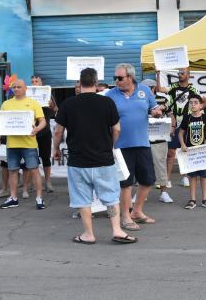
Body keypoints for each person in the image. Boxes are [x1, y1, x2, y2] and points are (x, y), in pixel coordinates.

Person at [53, 67, 137, 244]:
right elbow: (117, 129)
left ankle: (88, 234)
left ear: (79, 82)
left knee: (82, 199)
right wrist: (110, 146)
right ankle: (117, 230)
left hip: (78, 161)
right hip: (103, 159)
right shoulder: (107, 103)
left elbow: (58, 131)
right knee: (111, 196)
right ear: (96, 83)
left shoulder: (68, 104)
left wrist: (56, 149)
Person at [105, 63, 163, 229]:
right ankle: (125, 217)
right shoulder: (110, 95)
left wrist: (157, 112)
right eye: (115, 78)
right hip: (120, 146)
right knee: (125, 183)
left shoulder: (144, 91)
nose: (116, 81)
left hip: (142, 143)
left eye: (120, 78)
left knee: (148, 180)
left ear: (130, 77)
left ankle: (137, 211)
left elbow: (154, 108)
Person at [0, 79, 47, 210]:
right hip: (12, 143)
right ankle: (13, 198)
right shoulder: (6, 104)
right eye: (14, 87)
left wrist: (37, 129)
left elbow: (43, 121)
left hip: (29, 143)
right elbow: (1, 122)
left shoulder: (33, 103)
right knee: (12, 171)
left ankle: (39, 198)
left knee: (34, 170)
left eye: (19, 87)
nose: (16, 89)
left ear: (25, 88)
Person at [159, 68, 206, 189]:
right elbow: (160, 89)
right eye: (179, 73)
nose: (179, 74)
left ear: (188, 75)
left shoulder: (193, 89)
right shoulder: (173, 86)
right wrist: (157, 74)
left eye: (182, 73)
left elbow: (205, 102)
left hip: (187, 123)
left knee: (186, 150)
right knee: (171, 152)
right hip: (173, 123)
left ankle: (185, 176)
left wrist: (196, 111)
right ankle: (167, 179)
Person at [179, 94, 206, 209]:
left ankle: (205, 199)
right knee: (192, 176)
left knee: (204, 176)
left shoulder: (205, 118)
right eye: (191, 102)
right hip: (191, 153)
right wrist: (182, 144)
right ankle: (192, 199)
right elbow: (181, 133)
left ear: (201, 105)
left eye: (196, 102)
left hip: (203, 153)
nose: (193, 104)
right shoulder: (187, 118)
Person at [143, 78, 174, 204]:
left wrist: (172, 127)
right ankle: (143, 194)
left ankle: (164, 192)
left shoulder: (163, 99)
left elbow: (171, 115)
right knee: (144, 167)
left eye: (146, 88)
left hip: (160, 138)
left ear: (152, 88)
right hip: (144, 139)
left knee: (160, 165)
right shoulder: (139, 101)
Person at [29, 75, 56, 193]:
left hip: (44, 131)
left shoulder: (48, 94)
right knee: (30, 158)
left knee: (45, 157)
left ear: (41, 82)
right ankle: (31, 183)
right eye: (32, 81)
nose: (34, 83)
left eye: (36, 81)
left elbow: (56, 110)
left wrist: (51, 105)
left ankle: (48, 182)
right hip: (30, 132)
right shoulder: (27, 95)